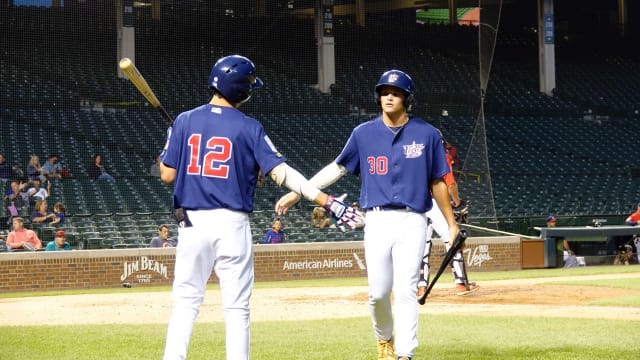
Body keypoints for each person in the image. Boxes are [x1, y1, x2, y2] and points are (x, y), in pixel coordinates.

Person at [158, 54, 362, 360]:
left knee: (186, 303)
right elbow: (281, 173)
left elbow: (167, 174)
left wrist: (172, 142)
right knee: (237, 309)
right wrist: (325, 199)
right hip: (232, 224)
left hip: (192, 223)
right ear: (241, 89)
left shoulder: (185, 120)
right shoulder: (248, 127)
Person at [275, 69, 458, 360]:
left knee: (407, 289)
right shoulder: (363, 133)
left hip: (413, 220)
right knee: (378, 293)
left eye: (396, 93)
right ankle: (384, 338)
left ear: (407, 98)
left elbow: (438, 181)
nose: (389, 97)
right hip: (377, 219)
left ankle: (405, 353)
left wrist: (450, 223)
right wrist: (300, 190)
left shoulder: (426, 133)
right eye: (385, 92)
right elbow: (337, 168)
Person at [417, 136, 478, 302]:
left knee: (422, 246)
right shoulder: (442, 156)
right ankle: (460, 284)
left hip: (416, 204)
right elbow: (449, 183)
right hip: (435, 203)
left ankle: (421, 287)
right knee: (453, 241)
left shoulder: (415, 155)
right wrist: (456, 201)